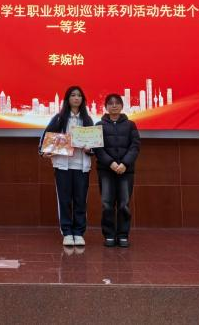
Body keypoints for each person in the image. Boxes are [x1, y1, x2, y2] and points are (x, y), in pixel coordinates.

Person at [39, 86, 93, 247]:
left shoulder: (87, 120)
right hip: (63, 165)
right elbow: (46, 138)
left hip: (81, 165)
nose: (76, 98)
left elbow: (94, 144)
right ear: (67, 99)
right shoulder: (59, 118)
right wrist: (44, 151)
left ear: (83, 99)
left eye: (79, 95)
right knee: (64, 199)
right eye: (73, 95)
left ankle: (79, 232)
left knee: (80, 200)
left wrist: (89, 149)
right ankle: (67, 232)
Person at [95, 93, 140, 248]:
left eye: (117, 103)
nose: (114, 106)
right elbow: (98, 148)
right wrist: (111, 163)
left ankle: (123, 235)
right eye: (110, 103)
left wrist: (124, 164)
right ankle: (109, 234)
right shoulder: (99, 125)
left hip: (126, 171)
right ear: (106, 107)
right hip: (106, 170)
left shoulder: (131, 125)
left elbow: (135, 146)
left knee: (124, 204)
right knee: (107, 203)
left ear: (122, 106)